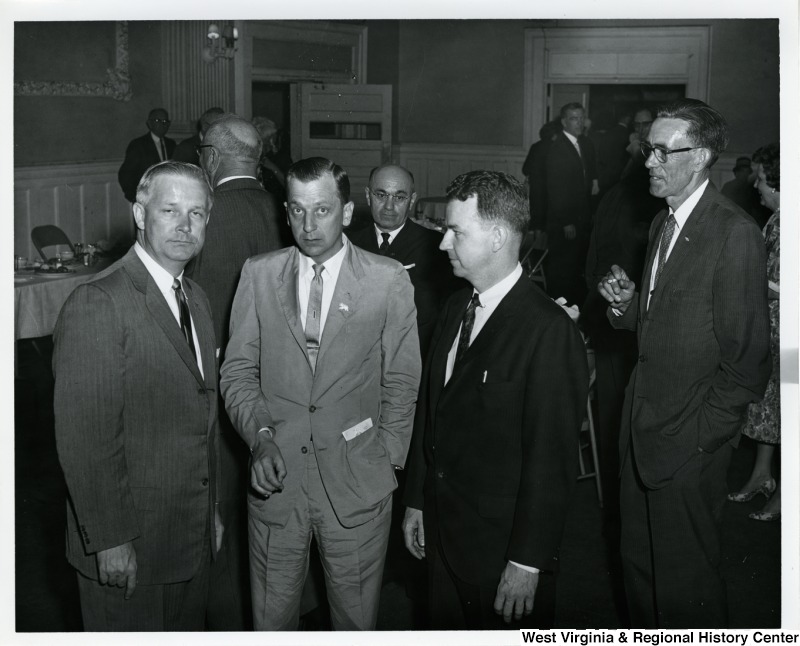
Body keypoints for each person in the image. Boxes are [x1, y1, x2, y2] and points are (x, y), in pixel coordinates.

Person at [220, 156, 421, 630]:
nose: (308, 226)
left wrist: (387, 458)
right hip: (276, 482)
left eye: (322, 211)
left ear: (348, 213)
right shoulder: (258, 274)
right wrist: (260, 435)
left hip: (357, 484)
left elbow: (402, 380)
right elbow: (238, 372)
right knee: (271, 622)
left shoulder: (387, 279)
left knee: (354, 624)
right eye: (296, 210)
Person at [597, 98, 771, 628]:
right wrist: (627, 303)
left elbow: (749, 363)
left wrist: (700, 439)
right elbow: (654, 327)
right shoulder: (662, 224)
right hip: (640, 429)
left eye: (662, 151)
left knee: (686, 583)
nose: (649, 161)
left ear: (700, 158)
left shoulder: (733, 233)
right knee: (640, 570)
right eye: (649, 148)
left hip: (689, 441)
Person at [403, 170, 589, 630]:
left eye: (455, 232)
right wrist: (418, 501)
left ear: (498, 237)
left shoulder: (546, 330)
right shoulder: (455, 307)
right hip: (442, 536)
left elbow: (552, 460)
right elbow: (433, 413)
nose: (443, 243)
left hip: (500, 553)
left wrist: (527, 563)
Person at [53, 162, 220, 631]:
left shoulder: (196, 299)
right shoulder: (99, 302)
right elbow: (85, 439)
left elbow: (201, 416)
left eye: (198, 214)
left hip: (189, 538)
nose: (186, 226)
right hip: (130, 548)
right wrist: (109, 540)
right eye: (170, 210)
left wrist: (211, 516)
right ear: (140, 215)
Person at [184, 113, 287, 630]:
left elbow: (196, 310)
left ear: (210, 157)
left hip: (224, 381)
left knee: (222, 500)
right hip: (282, 380)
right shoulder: (282, 205)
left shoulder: (209, 212)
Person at [348, 164, 458, 359]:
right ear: (367, 196)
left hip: (416, 358)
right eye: (381, 195)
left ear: (412, 200)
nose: (389, 206)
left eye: (399, 197)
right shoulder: (348, 245)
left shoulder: (436, 248)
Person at [727, 143, 781, 522]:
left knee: (787, 413)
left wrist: (737, 276)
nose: (757, 187)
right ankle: (762, 475)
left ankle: (787, 497)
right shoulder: (777, 217)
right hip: (771, 329)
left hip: (788, 335)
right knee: (768, 408)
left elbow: (779, 285)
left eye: (762, 180)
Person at [532, 102, 599, 306]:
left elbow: (586, 173)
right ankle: (556, 307)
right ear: (564, 122)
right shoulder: (558, 148)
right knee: (561, 268)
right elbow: (556, 189)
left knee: (574, 266)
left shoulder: (583, 143)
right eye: (573, 118)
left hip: (581, 217)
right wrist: (566, 221)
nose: (579, 122)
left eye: (581, 117)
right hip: (564, 221)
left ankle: (570, 307)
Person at [118, 108, 176, 202]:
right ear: (149, 123)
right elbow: (125, 174)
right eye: (158, 120)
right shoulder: (138, 145)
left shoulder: (171, 144)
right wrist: (135, 197)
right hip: (147, 199)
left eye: (165, 121)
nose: (163, 124)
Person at [522, 119, 561, 234]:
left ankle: (536, 245)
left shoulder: (535, 146)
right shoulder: (557, 148)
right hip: (552, 188)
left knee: (537, 217)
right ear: (555, 135)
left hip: (537, 187)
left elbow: (525, 169)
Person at [721, 156, 771, 229]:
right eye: (741, 171)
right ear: (736, 173)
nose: (744, 174)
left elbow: (759, 210)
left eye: (746, 171)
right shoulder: (729, 187)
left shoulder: (753, 188)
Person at [252, 116, 292, 205]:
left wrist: (273, 168)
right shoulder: (253, 157)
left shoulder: (281, 157)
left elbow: (289, 185)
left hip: (277, 203)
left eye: (273, 137)